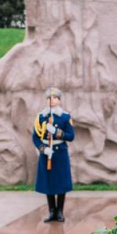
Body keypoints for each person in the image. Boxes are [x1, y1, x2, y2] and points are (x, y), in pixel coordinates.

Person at [31, 87, 75, 222]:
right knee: (48, 182)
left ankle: (60, 211)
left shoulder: (65, 117)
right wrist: (43, 149)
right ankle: (51, 211)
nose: (52, 100)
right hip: (46, 154)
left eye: (55, 98)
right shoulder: (41, 117)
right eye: (49, 98)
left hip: (60, 153)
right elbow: (35, 137)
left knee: (61, 182)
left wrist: (56, 132)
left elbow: (71, 136)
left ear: (59, 100)